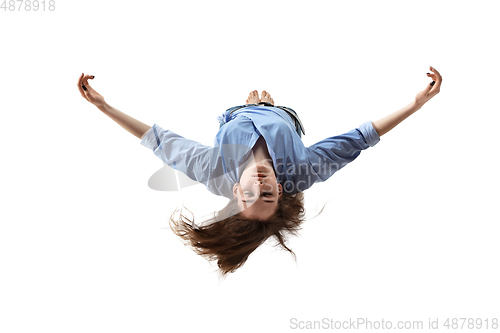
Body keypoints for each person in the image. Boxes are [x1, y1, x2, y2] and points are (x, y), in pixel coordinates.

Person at [77, 67, 442, 276]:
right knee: (279, 117)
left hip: (234, 118)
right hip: (286, 121)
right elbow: (360, 138)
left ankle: (251, 108)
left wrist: (103, 105)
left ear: (236, 192)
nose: (260, 186)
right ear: (281, 192)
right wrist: (416, 104)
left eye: (250, 194)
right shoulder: (303, 173)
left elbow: (158, 141)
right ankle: (269, 109)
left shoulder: (213, 173)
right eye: (267, 194)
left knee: (237, 119)